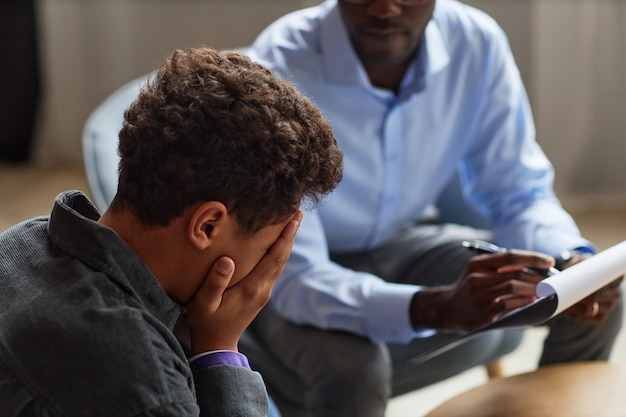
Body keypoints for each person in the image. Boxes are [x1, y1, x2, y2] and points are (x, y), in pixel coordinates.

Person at [243, 1, 624, 416]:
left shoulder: (475, 43)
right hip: (286, 265)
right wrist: (435, 306)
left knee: (590, 297)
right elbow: (299, 278)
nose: (385, 8)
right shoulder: (278, 65)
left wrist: (570, 259)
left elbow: (518, 191)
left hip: (406, 237)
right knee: (354, 371)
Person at [0, 46, 343, 416]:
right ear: (208, 225)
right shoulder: (149, 391)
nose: (270, 268)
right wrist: (220, 348)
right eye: (269, 246)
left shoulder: (20, 241)